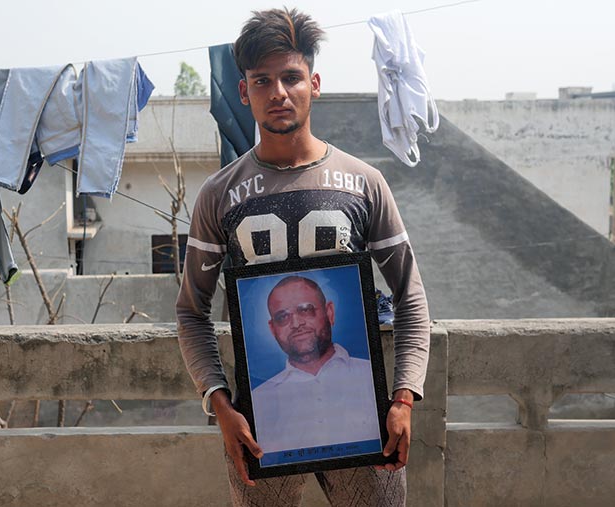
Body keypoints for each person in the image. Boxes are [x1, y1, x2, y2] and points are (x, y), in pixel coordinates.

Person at [176, 7, 430, 506]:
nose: (279, 92)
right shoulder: (219, 195)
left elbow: (410, 296)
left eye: (291, 77)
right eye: (262, 80)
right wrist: (220, 403)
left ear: (314, 83)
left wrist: (404, 396)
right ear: (245, 91)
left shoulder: (363, 182)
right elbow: (191, 310)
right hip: (262, 422)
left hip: (365, 418)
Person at [252, 275, 380, 458]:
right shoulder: (259, 401)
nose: (296, 324)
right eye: (283, 317)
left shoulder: (371, 376)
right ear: (273, 329)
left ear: (330, 313)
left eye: (305, 310)